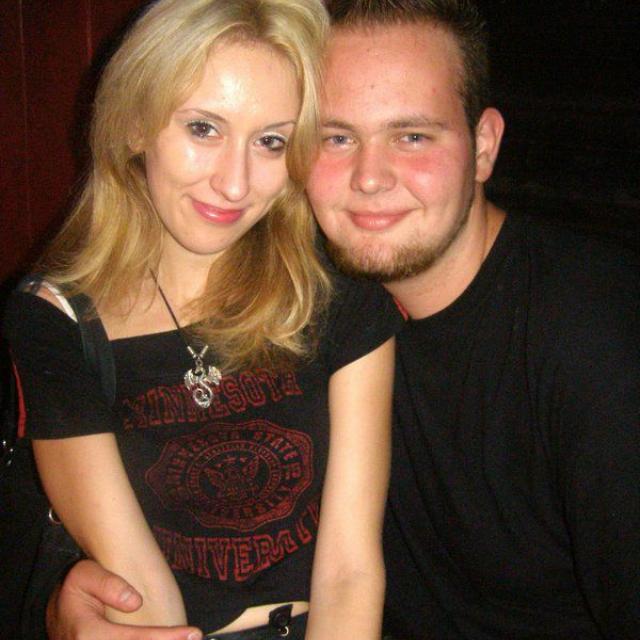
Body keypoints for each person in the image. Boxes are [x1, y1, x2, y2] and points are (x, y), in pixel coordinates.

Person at [17, 0, 640, 638]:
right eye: (337, 138)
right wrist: (56, 606)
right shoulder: (322, 283)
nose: (369, 178)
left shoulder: (595, 341)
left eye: (412, 136)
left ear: (483, 147)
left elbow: (349, 574)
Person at [2, 0, 402, 638]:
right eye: (203, 129)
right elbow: (137, 587)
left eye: (270, 141)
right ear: (135, 125)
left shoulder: (337, 294)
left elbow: (350, 573)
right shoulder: (55, 320)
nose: (235, 184)